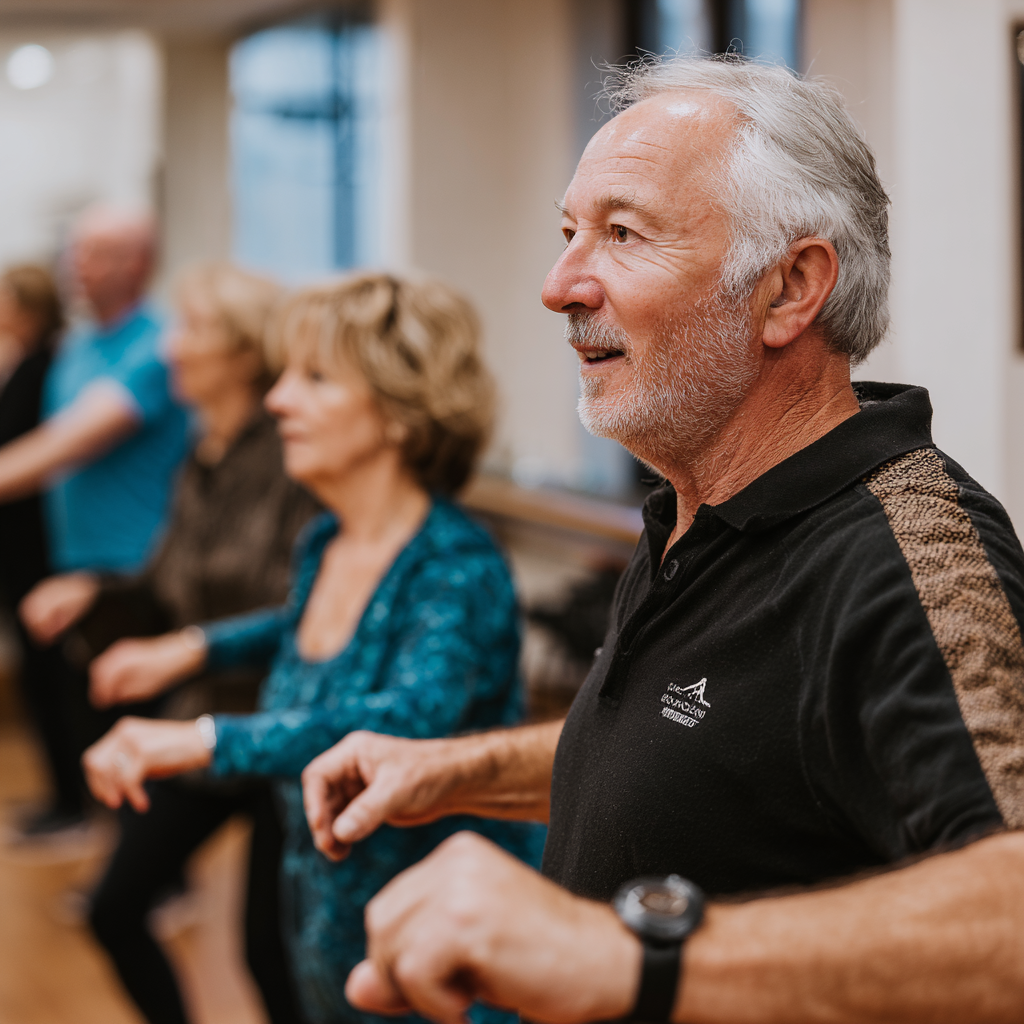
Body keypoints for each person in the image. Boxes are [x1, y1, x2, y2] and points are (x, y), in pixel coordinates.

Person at [298, 55, 1024, 1023]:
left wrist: (619, 953)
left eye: (623, 234)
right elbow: (712, 752)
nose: (559, 285)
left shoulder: (910, 559)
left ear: (789, 288)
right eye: (568, 233)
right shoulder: (697, 498)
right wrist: (461, 772)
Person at [80, 272, 545, 1024]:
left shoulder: (456, 565)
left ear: (399, 414)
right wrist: (192, 650)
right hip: (328, 926)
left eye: (315, 379)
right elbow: (301, 626)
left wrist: (202, 738)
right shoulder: (327, 539)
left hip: (435, 962)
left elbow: (403, 719)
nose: (278, 400)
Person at [21, 262, 318, 1024]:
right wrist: (93, 590)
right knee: (114, 910)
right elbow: (166, 579)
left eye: (194, 330)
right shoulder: (202, 452)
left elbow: (308, 611)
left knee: (270, 957)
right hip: (206, 722)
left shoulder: (296, 458)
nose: (171, 347)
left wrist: (186, 647)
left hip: (284, 732)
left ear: (245, 353)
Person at [0, 206, 189, 838]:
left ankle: (154, 872)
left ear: (139, 263)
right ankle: (110, 848)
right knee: (86, 717)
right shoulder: (76, 347)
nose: (78, 266)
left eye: (97, 253)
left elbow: (68, 443)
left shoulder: (158, 344)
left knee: (138, 724)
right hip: (75, 560)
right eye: (75, 251)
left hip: (137, 567)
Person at [0, 265, 80, 835]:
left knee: (52, 674)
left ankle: (71, 803)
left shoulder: (48, 365)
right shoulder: (22, 362)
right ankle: (63, 797)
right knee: (37, 675)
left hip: (38, 543)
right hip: (19, 544)